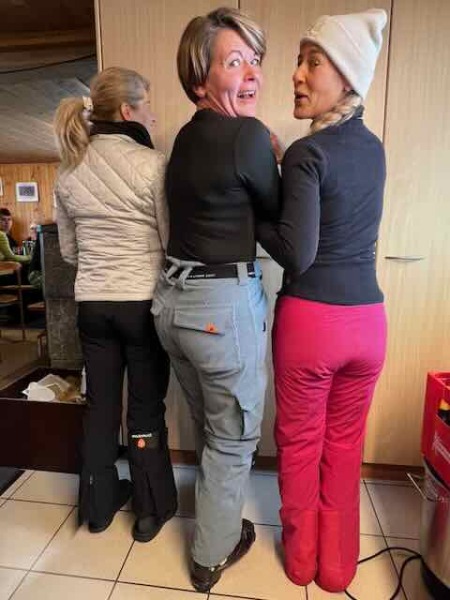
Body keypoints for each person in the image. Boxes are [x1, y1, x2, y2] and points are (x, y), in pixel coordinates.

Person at [257, 9, 388, 593]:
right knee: (345, 447)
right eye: (299, 62)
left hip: (313, 324)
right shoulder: (374, 149)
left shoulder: (308, 154)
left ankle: (301, 562)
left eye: (313, 62)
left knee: (301, 445)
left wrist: (259, 205)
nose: (297, 74)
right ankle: (337, 570)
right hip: (369, 323)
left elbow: (297, 252)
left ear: (347, 75)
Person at [151, 7, 280, 592]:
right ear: (200, 80)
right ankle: (211, 555)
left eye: (254, 60)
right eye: (234, 62)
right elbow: (278, 215)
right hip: (220, 310)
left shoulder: (185, 137)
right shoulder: (247, 136)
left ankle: (216, 519)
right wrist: (277, 154)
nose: (252, 73)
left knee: (213, 426)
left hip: (173, 306)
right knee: (233, 437)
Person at [53, 66, 177, 541]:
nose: (152, 115)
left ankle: (99, 507)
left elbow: (69, 251)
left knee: (100, 406)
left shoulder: (69, 170)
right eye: (147, 105)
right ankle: (150, 512)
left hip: (92, 306)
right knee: (144, 407)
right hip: (140, 305)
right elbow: (168, 241)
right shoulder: (153, 164)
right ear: (127, 111)